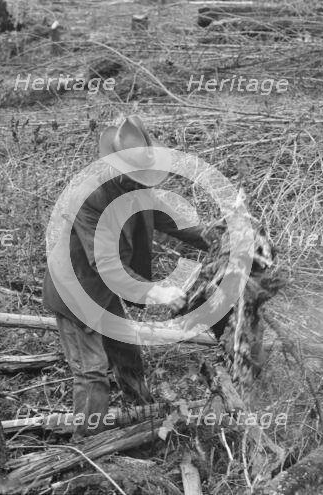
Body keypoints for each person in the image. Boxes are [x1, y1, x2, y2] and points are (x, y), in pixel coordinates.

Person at [43, 115, 214, 439]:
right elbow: (104, 264)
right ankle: (86, 447)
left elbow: (173, 221)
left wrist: (221, 237)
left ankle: (141, 416)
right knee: (93, 372)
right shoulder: (88, 196)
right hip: (77, 290)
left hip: (104, 291)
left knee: (126, 350)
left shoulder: (137, 186)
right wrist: (156, 293)